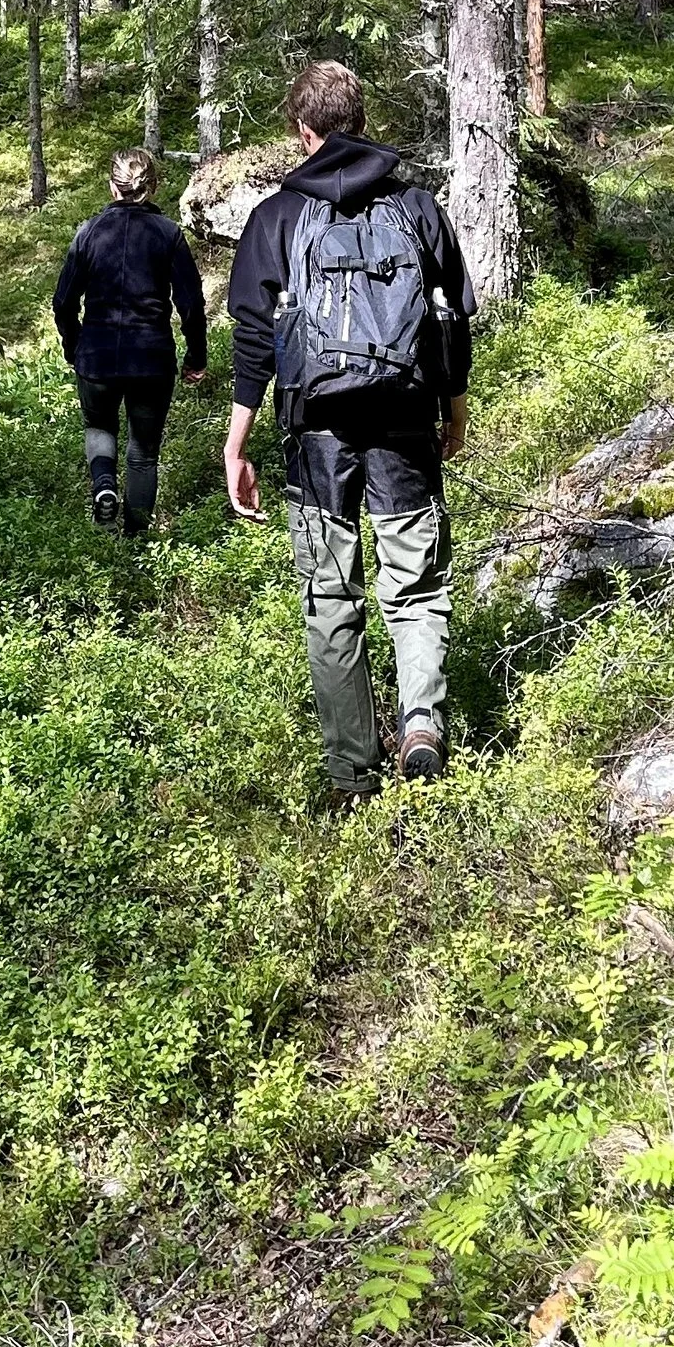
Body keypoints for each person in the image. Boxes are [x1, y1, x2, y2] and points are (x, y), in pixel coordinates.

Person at [223, 61, 476, 803]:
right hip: (403, 420)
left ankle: (352, 773)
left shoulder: (277, 216)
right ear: (360, 120)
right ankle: (422, 723)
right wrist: (453, 410)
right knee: (417, 584)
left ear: (304, 132)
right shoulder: (418, 206)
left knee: (333, 600)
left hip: (316, 433)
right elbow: (453, 318)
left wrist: (237, 440)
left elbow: (252, 338)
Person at [52, 148, 208, 535]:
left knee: (98, 427)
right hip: (151, 360)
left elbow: (63, 300)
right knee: (143, 453)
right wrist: (196, 355)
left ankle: (104, 486)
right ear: (152, 186)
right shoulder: (168, 234)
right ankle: (136, 538)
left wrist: (74, 344)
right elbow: (190, 303)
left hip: (97, 356)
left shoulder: (89, 232)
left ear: (112, 186)